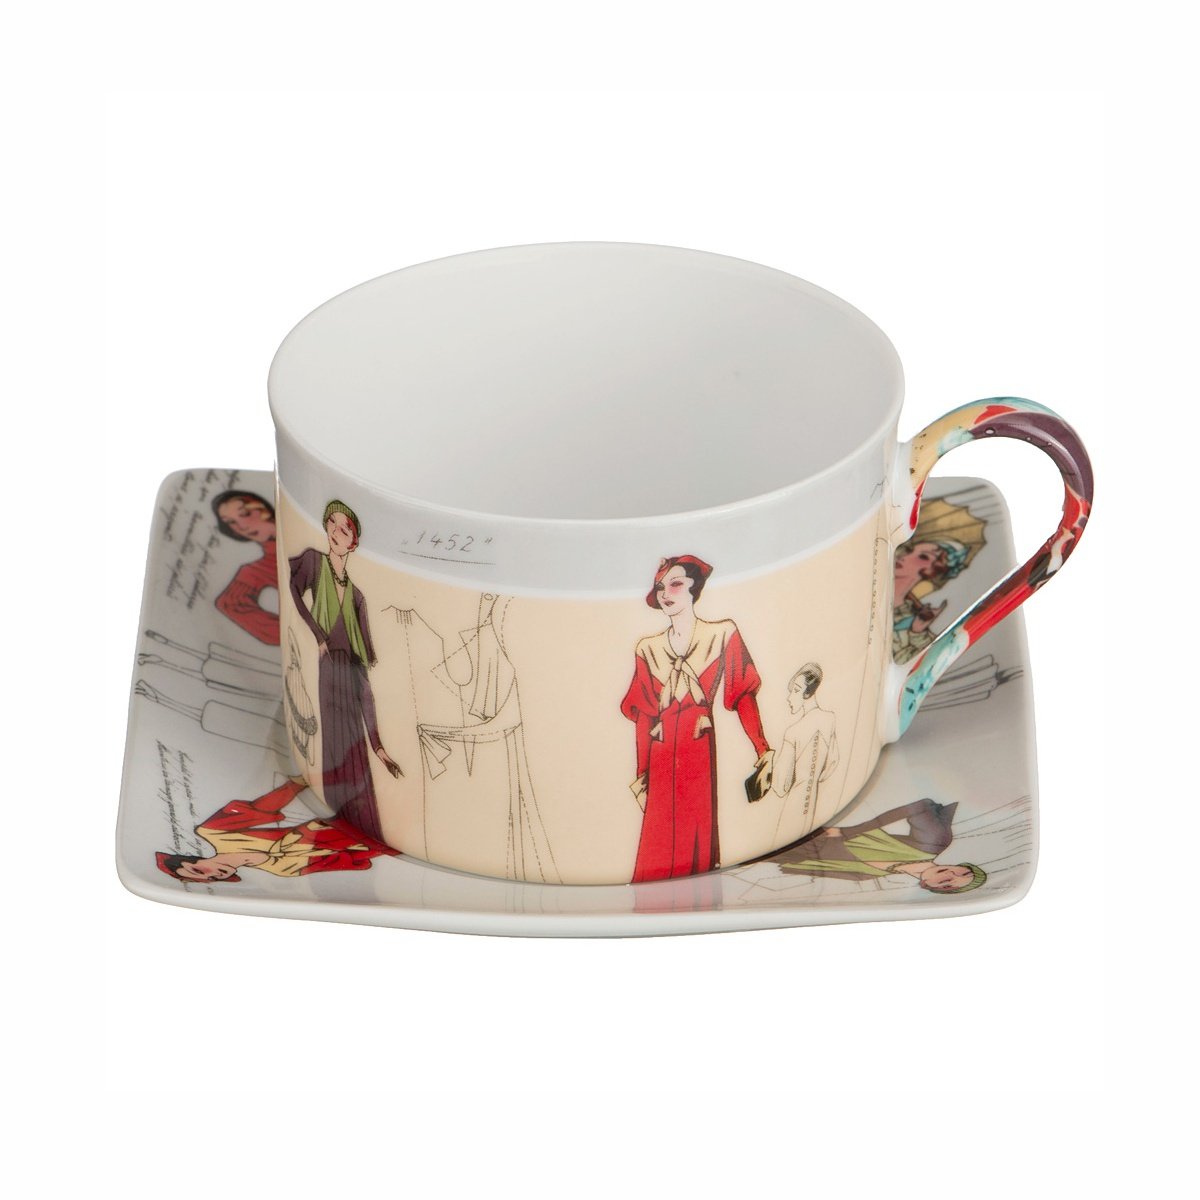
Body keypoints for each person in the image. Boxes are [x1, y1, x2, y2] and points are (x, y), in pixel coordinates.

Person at [620, 555, 772, 882]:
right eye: (660, 587)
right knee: (658, 836)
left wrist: (762, 749)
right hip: (661, 753)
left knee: (696, 832)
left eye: (675, 584)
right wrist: (641, 774)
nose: (666, 594)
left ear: (694, 588)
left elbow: (742, 694)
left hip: (697, 746)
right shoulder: (647, 648)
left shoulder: (722, 634)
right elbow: (644, 718)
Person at [289, 500, 402, 843]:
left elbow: (364, 681)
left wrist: (379, 746)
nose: (337, 532)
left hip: (350, 683)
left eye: (346, 528)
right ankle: (337, 826)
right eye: (332, 524)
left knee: (357, 759)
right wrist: (318, 635)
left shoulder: (358, 598)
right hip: (328, 675)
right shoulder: (314, 562)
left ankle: (360, 831)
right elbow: (293, 588)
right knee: (334, 754)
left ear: (354, 542)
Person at [155, 777, 397, 882]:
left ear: (192, 860)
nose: (213, 875)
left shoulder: (213, 832)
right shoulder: (283, 871)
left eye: (198, 871)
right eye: (210, 879)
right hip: (371, 834)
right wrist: (392, 844)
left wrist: (297, 783)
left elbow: (261, 808)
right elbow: (352, 859)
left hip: (337, 809)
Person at [772, 798, 986, 893]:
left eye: (949, 885)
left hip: (786, 850)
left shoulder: (866, 876)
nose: (951, 875)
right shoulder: (933, 843)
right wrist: (849, 831)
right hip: (810, 822)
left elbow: (801, 868)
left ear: (927, 886)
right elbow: (917, 807)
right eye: (964, 872)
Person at [771, 663, 839, 843]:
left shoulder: (793, 732)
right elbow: (832, 762)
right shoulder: (829, 719)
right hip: (814, 801)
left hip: (793, 806)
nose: (789, 697)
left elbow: (780, 785)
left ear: (807, 693)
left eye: (795, 690)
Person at [212, 489, 281, 646]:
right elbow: (228, 604)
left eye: (244, 514)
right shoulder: (256, 571)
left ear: (263, 508)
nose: (241, 527)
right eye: (231, 522)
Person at [892, 537, 969, 664]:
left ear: (932, 570)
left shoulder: (915, 625)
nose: (904, 557)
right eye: (909, 550)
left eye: (923, 557)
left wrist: (917, 632)